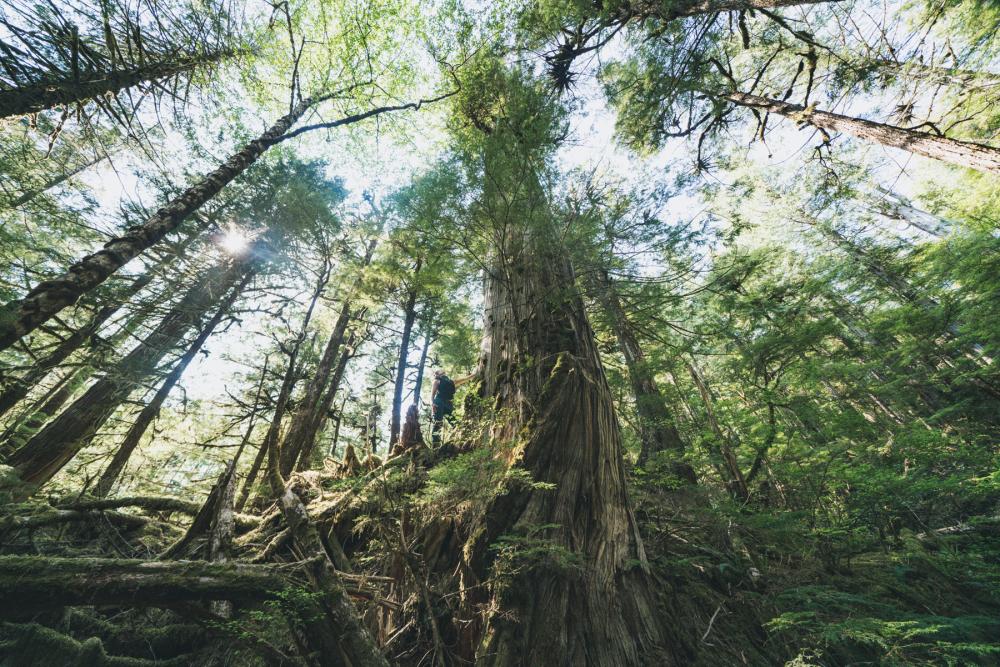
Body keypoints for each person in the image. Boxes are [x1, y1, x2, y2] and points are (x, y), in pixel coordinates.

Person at [431, 369, 472, 444]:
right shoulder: (437, 381)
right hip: (439, 402)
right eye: (439, 371)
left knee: (454, 422)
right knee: (438, 422)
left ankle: (460, 439)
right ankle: (435, 445)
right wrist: (433, 404)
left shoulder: (450, 382)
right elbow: (433, 394)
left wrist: (473, 375)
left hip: (448, 403)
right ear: (437, 374)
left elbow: (463, 379)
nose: (442, 370)